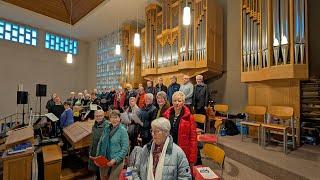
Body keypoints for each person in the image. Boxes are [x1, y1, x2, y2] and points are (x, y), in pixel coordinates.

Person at [163, 91, 197, 167]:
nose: (177, 103)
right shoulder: (167, 115)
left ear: (183, 102)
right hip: (169, 149)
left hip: (183, 151)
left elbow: (193, 139)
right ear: (172, 102)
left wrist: (192, 158)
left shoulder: (189, 117)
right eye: (175, 101)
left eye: (179, 101)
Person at [96, 110, 129, 180]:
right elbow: (100, 142)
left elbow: (125, 148)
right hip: (105, 158)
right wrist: (97, 157)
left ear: (120, 118)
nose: (114, 120)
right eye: (112, 117)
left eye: (116, 117)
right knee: (103, 178)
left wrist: (115, 160)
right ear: (109, 119)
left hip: (117, 161)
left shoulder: (123, 130)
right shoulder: (107, 128)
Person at [89, 110, 108, 180]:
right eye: (96, 116)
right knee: (96, 170)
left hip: (102, 152)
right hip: (95, 150)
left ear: (103, 116)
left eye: (100, 116)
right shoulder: (95, 125)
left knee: (102, 171)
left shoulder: (107, 126)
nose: (98, 117)